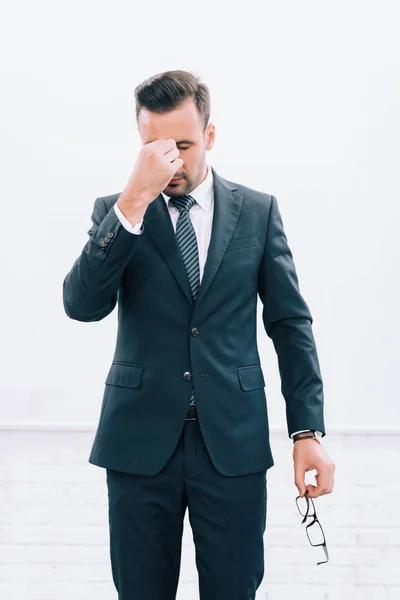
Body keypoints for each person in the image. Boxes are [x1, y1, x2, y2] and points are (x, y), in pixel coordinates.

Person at [63, 69, 335, 599]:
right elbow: (81, 305)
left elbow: (289, 324)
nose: (170, 161)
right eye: (154, 147)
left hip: (231, 444)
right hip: (139, 444)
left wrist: (307, 433)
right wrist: (132, 204)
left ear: (210, 136)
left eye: (183, 145)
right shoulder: (116, 213)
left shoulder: (257, 212)